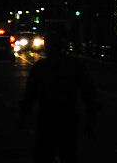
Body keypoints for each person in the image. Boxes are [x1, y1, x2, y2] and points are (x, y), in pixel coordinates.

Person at [18, 32, 97, 163]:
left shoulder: (41, 67)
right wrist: (91, 114)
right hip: (67, 116)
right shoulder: (74, 65)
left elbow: (30, 94)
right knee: (67, 154)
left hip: (47, 117)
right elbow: (88, 92)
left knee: (45, 155)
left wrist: (23, 114)